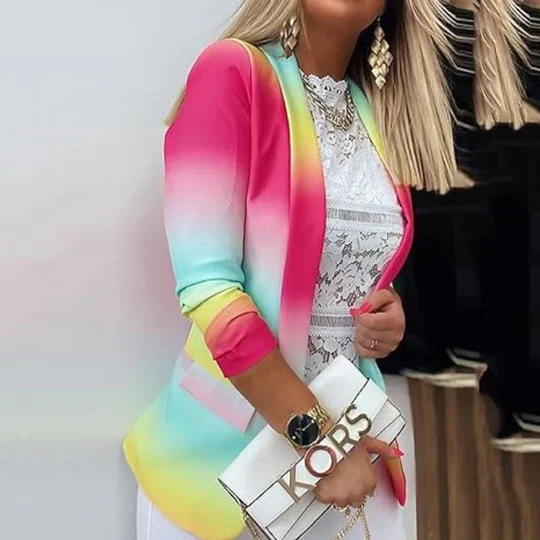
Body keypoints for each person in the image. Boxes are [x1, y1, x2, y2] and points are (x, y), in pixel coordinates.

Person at [124, 1, 458, 538]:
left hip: (357, 446)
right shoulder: (232, 73)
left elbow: (336, 259)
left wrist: (384, 312)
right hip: (229, 465)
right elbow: (209, 289)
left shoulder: (372, 110)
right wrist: (320, 444)